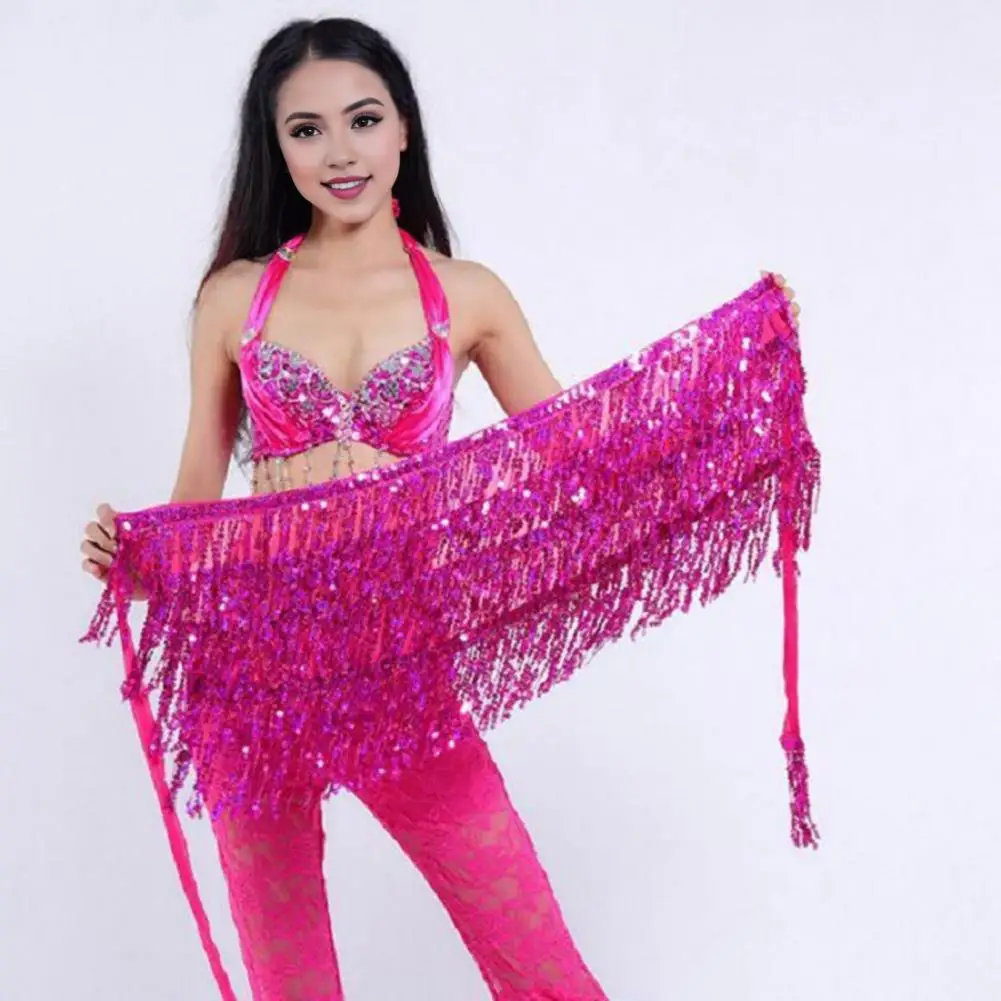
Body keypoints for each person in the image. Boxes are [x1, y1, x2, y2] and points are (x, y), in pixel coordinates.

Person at [80, 16, 802, 1001]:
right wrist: (130, 554)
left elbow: (585, 461)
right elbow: (194, 507)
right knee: (290, 981)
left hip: (397, 662)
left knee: (539, 963)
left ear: (403, 129)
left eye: (362, 120)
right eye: (305, 130)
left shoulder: (467, 295)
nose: (339, 152)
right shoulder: (233, 298)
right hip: (250, 667)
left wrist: (737, 367)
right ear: (275, 146)